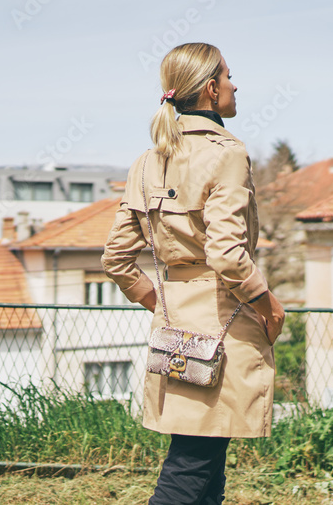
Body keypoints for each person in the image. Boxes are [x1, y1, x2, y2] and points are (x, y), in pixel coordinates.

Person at [102, 42, 286, 505]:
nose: (235, 83)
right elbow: (226, 254)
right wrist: (269, 304)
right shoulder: (227, 154)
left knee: (206, 457)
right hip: (223, 324)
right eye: (228, 75)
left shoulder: (145, 162)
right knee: (192, 464)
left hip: (174, 328)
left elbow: (116, 260)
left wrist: (160, 303)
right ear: (209, 88)